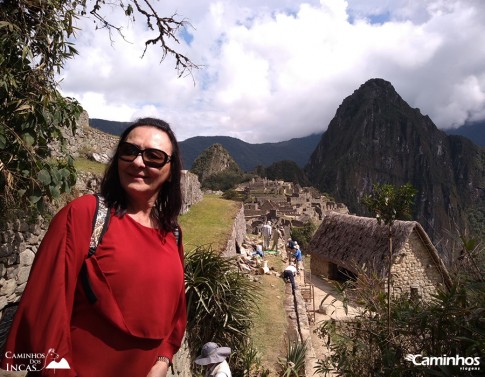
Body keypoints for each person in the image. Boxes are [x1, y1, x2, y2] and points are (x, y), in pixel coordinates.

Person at [1, 118, 186, 377]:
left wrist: (164, 359)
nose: (137, 162)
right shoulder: (84, 215)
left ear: (170, 171)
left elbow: (176, 309)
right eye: (129, 151)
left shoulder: (172, 234)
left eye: (153, 156)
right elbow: (46, 312)